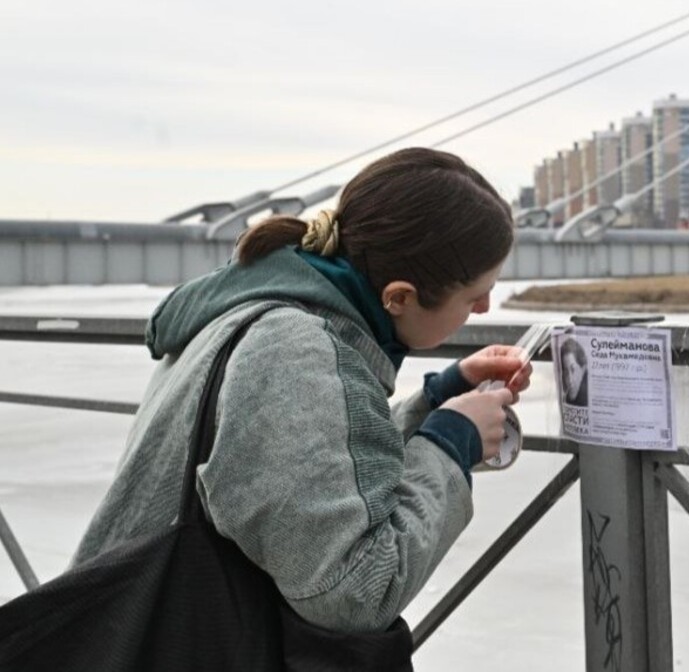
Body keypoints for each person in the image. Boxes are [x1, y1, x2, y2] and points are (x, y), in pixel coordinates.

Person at [71, 147, 531, 634]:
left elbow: (304, 471)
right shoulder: (294, 349)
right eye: (474, 294)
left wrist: (438, 402)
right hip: (158, 643)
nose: (483, 308)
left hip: (130, 628)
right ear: (399, 297)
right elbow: (353, 589)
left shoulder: (280, 311)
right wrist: (450, 443)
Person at [560, 337, 589, 407]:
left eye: (573, 370)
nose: (569, 380)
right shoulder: (566, 399)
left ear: (583, 369)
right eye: (566, 372)